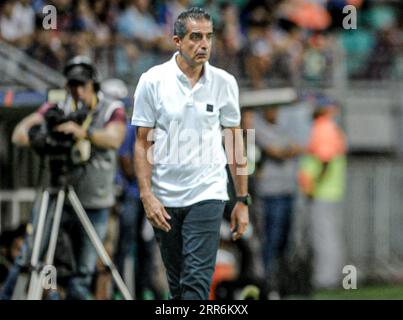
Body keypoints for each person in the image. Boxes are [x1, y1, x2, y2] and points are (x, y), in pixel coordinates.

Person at [132, 7, 250, 300]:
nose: (204, 44)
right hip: (165, 198)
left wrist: (242, 200)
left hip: (207, 193)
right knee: (178, 287)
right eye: (196, 37)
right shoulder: (152, 81)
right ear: (177, 41)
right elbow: (142, 143)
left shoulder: (224, 82)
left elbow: (235, 141)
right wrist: (147, 195)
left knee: (196, 284)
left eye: (209, 37)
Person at [5, 56, 126, 299]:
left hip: (95, 202)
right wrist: (43, 139)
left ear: (94, 84)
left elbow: (114, 139)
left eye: (83, 85)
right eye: (72, 85)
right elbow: (19, 134)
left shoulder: (111, 108)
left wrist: (82, 133)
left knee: (84, 272)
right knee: (32, 254)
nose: (78, 91)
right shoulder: (58, 106)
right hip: (60, 196)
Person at [253, 106, 303, 298]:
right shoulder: (258, 128)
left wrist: (287, 149)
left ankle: (282, 283)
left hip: (288, 190)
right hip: (269, 193)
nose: (274, 112)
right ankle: (266, 283)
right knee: (270, 240)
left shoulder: (283, 127)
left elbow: (300, 146)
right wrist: (287, 149)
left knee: (285, 241)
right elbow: (277, 151)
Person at [298, 95, 347, 289]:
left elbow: (325, 160)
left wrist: (314, 185)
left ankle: (326, 278)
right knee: (329, 234)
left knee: (323, 236)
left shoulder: (323, 127)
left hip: (322, 192)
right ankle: (334, 276)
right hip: (329, 191)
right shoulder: (331, 127)